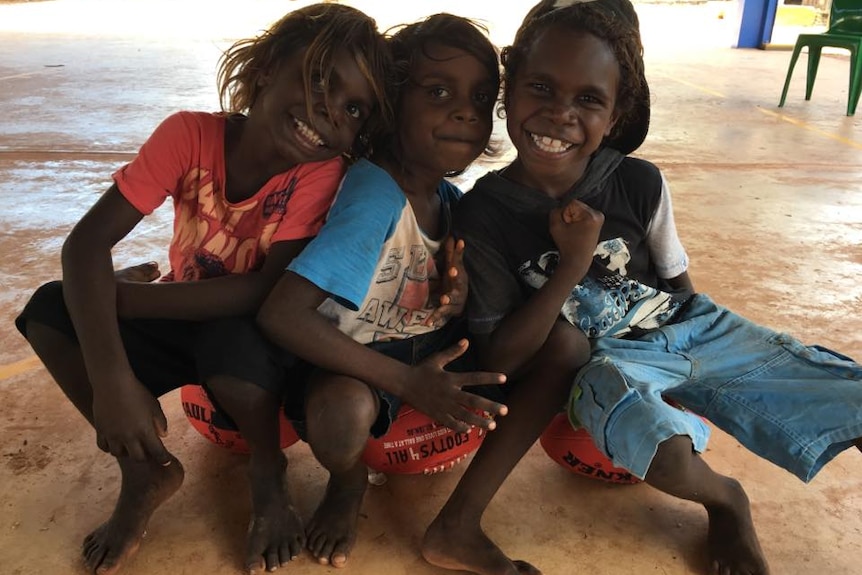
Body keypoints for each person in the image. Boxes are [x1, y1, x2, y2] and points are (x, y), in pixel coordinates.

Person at [446, 1, 862, 574]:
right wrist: (571, 266)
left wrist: (703, 372)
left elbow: (676, 282)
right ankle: (727, 500)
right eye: (540, 87)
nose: (560, 114)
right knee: (666, 459)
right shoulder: (482, 214)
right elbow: (503, 358)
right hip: (607, 359)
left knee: (838, 390)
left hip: (686, 326)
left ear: (615, 116)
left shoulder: (639, 182)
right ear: (508, 91)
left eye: (588, 99)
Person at [14, 4, 391, 574]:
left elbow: (265, 293)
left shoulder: (318, 174)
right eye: (318, 80)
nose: (328, 111)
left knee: (228, 338)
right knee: (48, 308)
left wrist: (123, 299)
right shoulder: (188, 135)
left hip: (257, 340)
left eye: (352, 108)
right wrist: (112, 384)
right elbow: (84, 247)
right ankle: (145, 470)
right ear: (265, 66)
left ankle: (268, 472)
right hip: (187, 310)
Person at [256, 14, 510, 569]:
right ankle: (346, 484)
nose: (467, 111)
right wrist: (406, 383)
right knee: (340, 414)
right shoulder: (376, 196)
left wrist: (457, 295)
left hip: (420, 349)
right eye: (439, 92)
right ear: (391, 105)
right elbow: (283, 316)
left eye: (482, 98)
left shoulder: (444, 195)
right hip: (354, 360)